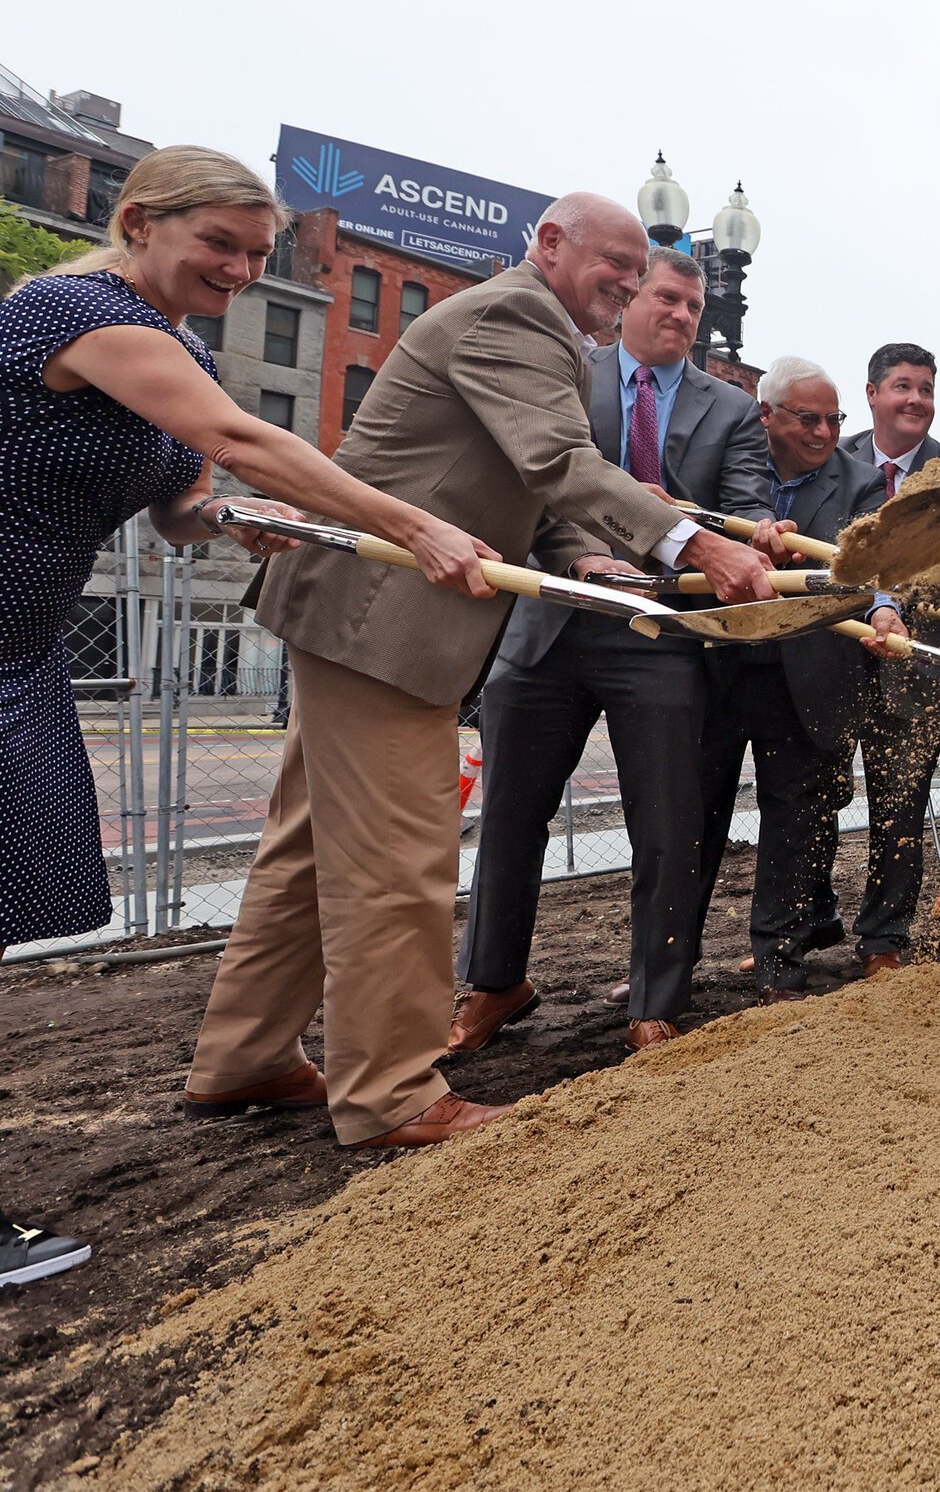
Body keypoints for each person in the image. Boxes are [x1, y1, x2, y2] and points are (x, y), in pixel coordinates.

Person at [187, 192, 775, 1149]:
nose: (624, 290)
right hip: (381, 620)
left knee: (305, 850)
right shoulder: (517, 315)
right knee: (398, 858)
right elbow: (556, 459)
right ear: (548, 245)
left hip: (356, 614)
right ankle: (393, 1093)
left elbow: (518, 481)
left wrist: (585, 550)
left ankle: (246, 1056)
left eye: (637, 279)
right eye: (613, 270)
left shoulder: (538, 329)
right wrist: (696, 545)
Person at [0, 147, 498, 1252]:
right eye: (217, 243)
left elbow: (184, 501)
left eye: (259, 255)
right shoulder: (70, 308)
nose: (237, 269)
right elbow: (238, 439)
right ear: (139, 223)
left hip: (22, 649)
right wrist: (412, 524)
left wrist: (230, 521)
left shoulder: (174, 345)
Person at [450, 249, 776, 1055]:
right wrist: (589, 548)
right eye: (666, 298)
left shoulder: (731, 411)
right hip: (549, 624)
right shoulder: (566, 373)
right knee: (513, 817)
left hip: (660, 637)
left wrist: (715, 527)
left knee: (667, 823)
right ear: (631, 300)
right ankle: (493, 985)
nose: (681, 315)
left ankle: (657, 1001)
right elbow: (528, 478)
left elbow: (742, 512)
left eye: (694, 308)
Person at [697, 356, 908, 1002]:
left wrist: (884, 607)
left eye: (833, 420)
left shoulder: (862, 484)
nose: (822, 432)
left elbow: (875, 561)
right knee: (692, 821)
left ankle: (780, 970)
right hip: (721, 664)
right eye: (807, 418)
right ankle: (662, 966)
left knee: (793, 825)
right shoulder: (730, 464)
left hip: (807, 675)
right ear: (767, 416)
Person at [837, 343, 940, 972]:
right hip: (832, 657)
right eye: (902, 386)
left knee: (902, 801)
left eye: (926, 389)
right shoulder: (831, 459)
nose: (915, 400)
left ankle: (884, 938)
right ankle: (797, 926)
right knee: (810, 794)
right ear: (871, 393)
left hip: (916, 664)